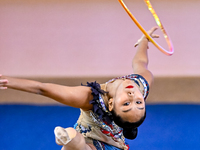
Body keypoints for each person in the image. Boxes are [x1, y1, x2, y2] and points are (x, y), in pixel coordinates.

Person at [0, 26, 159, 150]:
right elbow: (140, 62)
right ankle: (70, 138)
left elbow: (42, 89)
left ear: (111, 104)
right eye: (138, 103)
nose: (132, 96)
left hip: (111, 147)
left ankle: (69, 138)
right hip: (87, 141)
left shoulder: (90, 98)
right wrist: (144, 40)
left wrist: (7, 81)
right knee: (80, 144)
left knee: (78, 145)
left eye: (126, 104)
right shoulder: (141, 85)